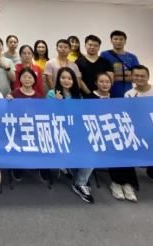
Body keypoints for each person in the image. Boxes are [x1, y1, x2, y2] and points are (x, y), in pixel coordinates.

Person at [86, 72, 139, 202]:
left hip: (114, 131)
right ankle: (116, 183)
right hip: (97, 133)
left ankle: (127, 184)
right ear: (96, 83)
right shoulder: (89, 98)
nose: (105, 84)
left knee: (125, 146)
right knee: (114, 146)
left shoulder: (115, 98)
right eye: (101, 81)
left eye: (107, 82)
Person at [47, 67, 94, 204]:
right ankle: (75, 176)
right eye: (63, 78)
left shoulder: (77, 96)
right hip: (58, 132)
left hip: (75, 132)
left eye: (69, 78)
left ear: (74, 80)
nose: (66, 81)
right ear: (58, 79)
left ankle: (80, 182)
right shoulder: (52, 93)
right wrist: (57, 103)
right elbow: (49, 115)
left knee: (91, 152)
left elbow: (78, 116)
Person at [124, 65, 153, 182]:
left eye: (142, 76)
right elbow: (130, 115)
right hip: (141, 126)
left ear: (148, 77)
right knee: (148, 136)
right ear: (132, 77)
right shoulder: (129, 94)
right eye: (136, 76)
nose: (139, 78)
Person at [6, 67, 44, 182]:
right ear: (20, 79)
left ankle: (39, 166)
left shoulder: (39, 97)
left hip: (34, 129)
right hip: (18, 129)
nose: (27, 79)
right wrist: (8, 102)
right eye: (24, 77)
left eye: (30, 77)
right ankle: (18, 167)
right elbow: (8, 113)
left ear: (34, 79)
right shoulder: (13, 94)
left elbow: (42, 114)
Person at [100, 30, 139, 98]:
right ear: (111, 41)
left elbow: (136, 77)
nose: (118, 41)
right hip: (109, 93)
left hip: (128, 93)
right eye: (115, 39)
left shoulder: (132, 57)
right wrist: (126, 74)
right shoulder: (104, 55)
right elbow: (102, 75)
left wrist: (116, 77)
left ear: (125, 41)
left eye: (121, 39)